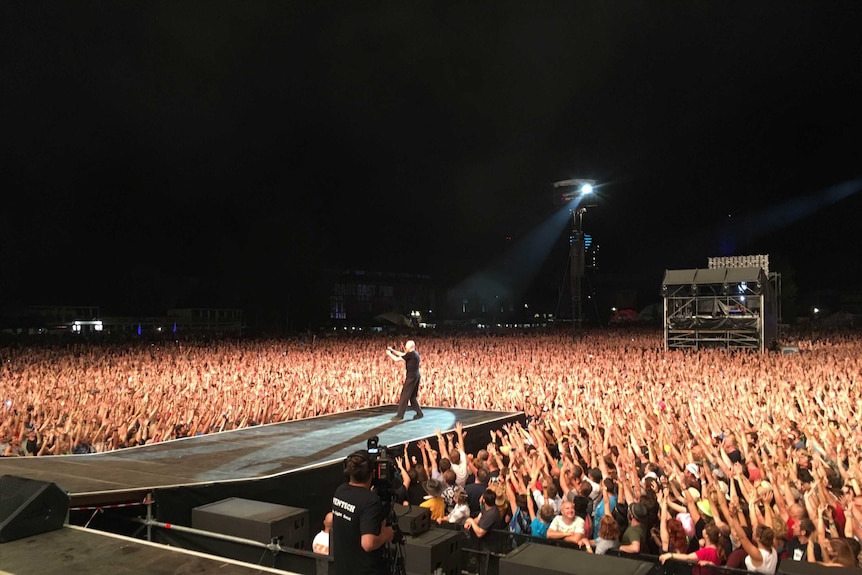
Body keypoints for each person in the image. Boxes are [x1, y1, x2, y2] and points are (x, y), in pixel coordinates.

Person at [331, 450, 395, 575]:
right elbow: (368, 543)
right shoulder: (370, 501)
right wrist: (385, 536)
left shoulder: (340, 491)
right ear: (373, 472)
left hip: (343, 568)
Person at [386, 340, 423, 421]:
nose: (405, 348)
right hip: (416, 376)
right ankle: (419, 413)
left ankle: (399, 415)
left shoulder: (411, 354)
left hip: (411, 377)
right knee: (412, 397)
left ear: (411, 347)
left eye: (406, 347)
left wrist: (389, 354)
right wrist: (392, 350)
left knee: (404, 397)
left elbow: (397, 359)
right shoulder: (415, 353)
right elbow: (403, 354)